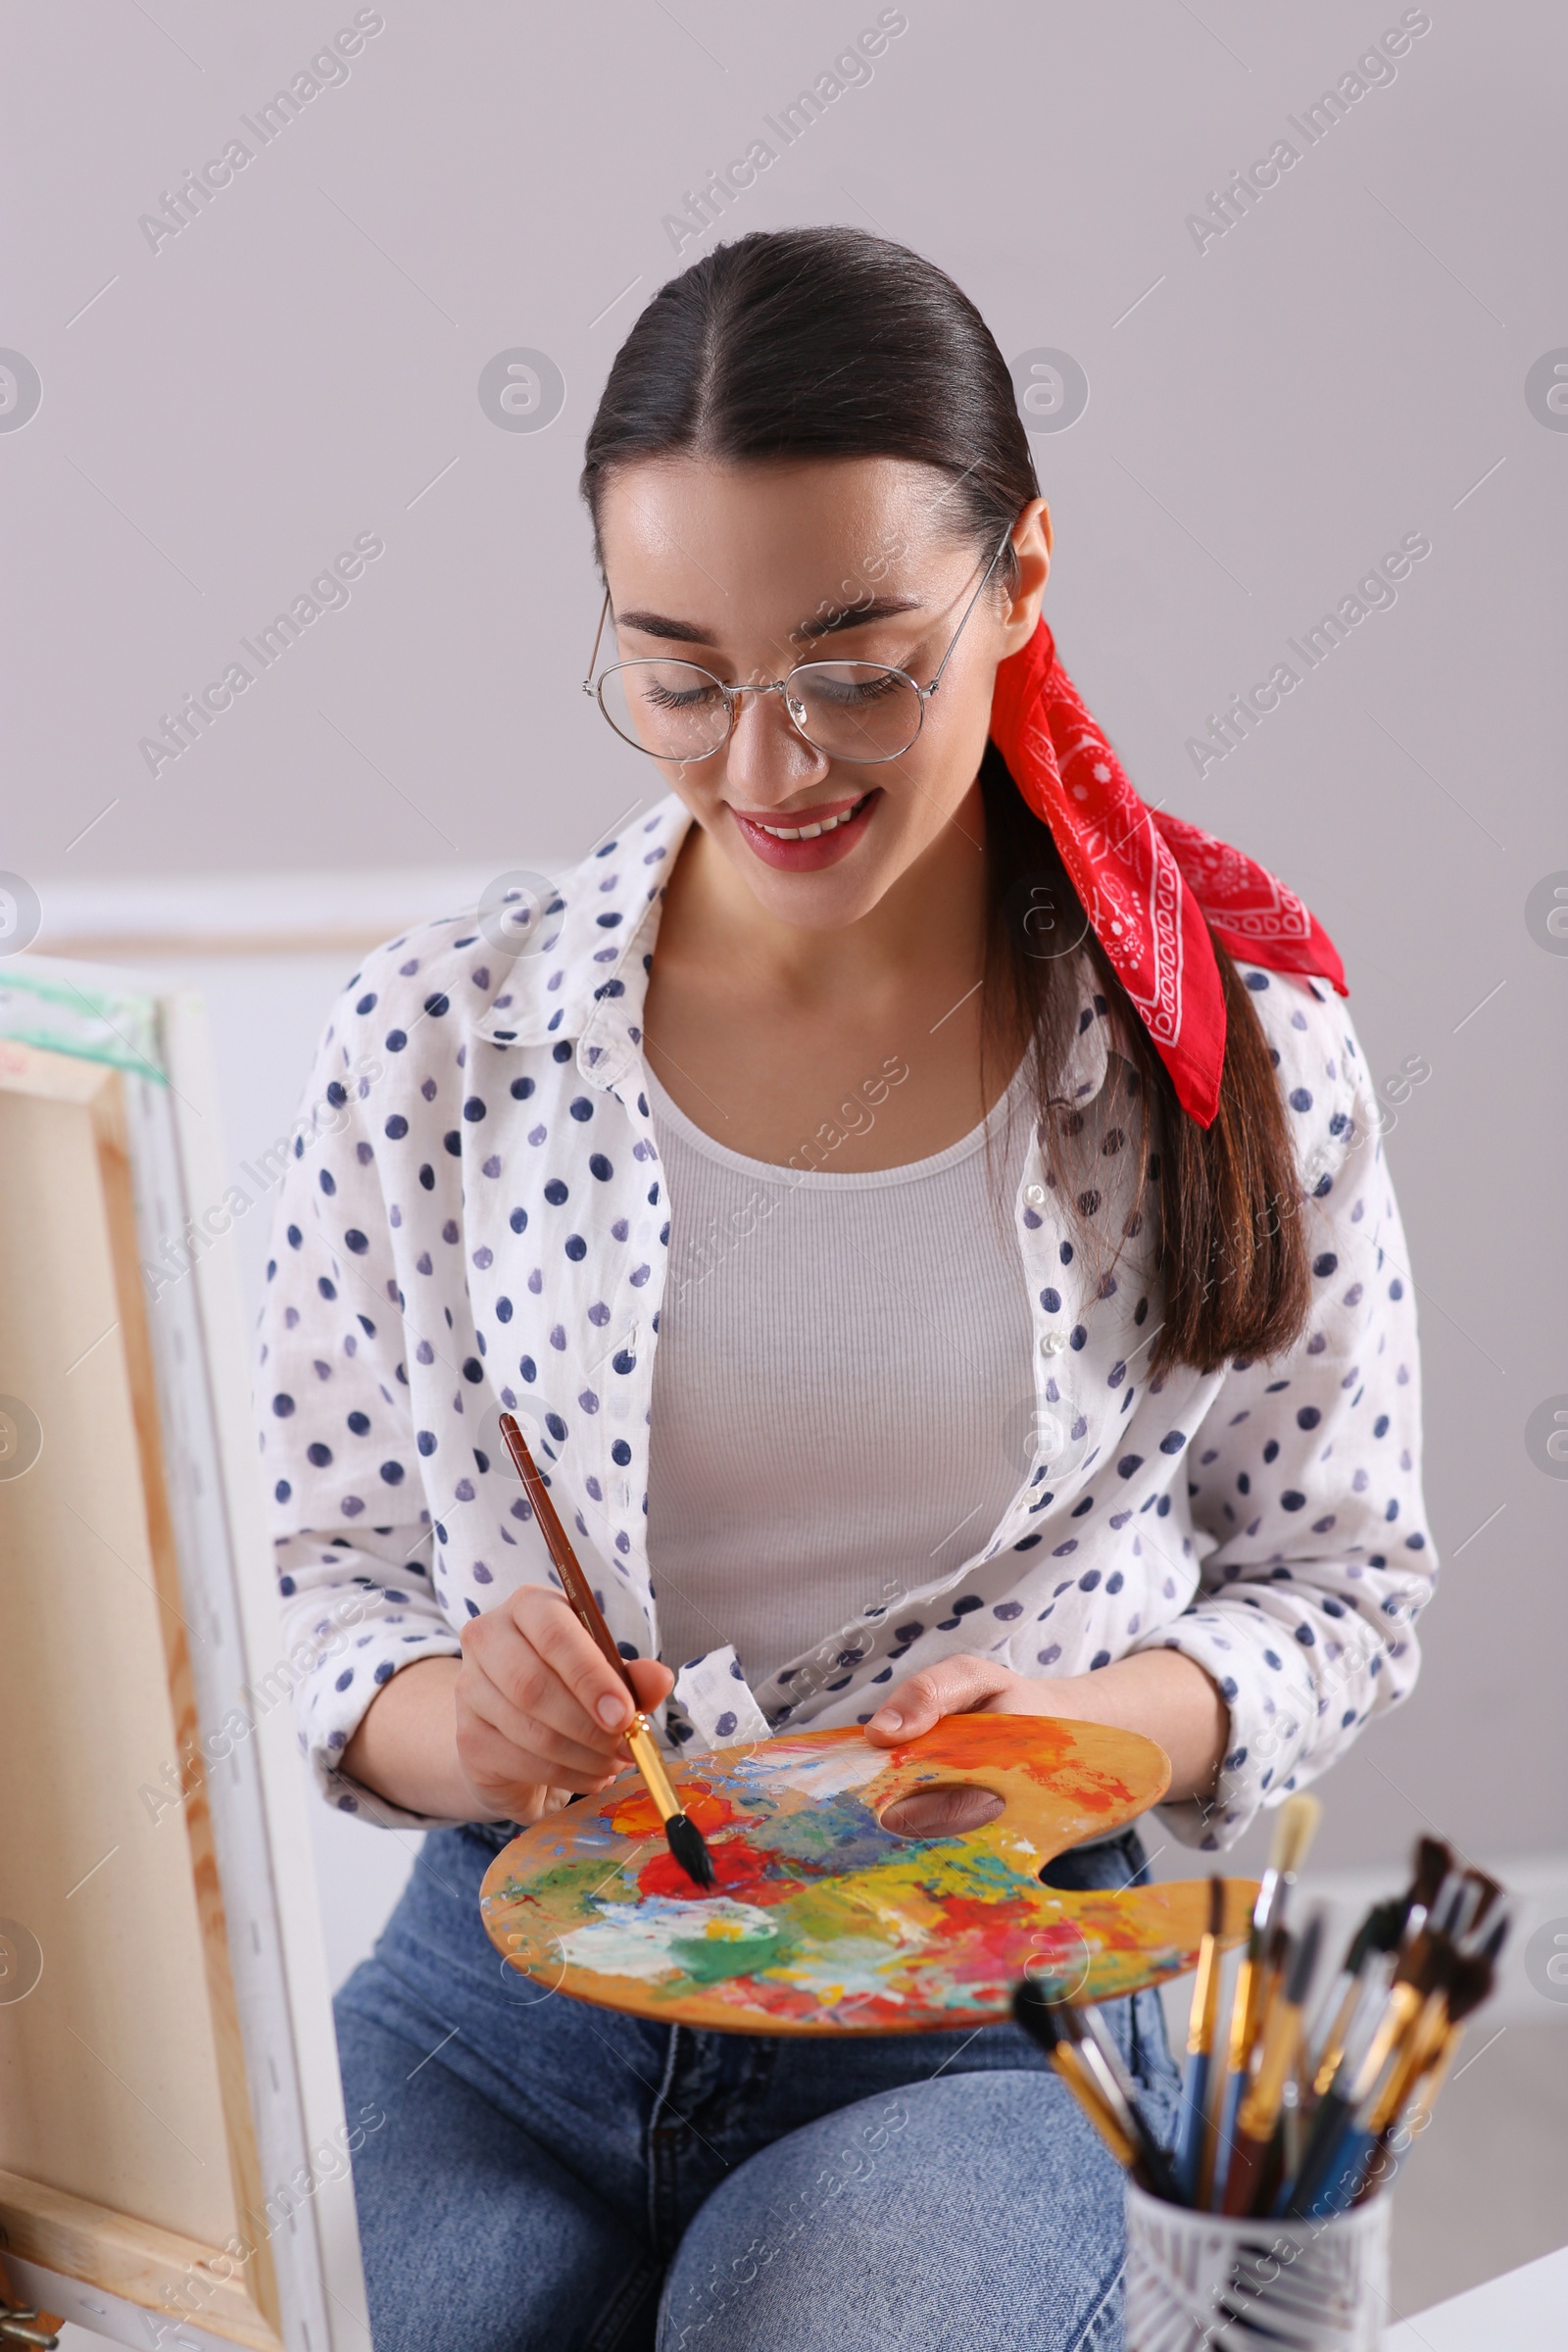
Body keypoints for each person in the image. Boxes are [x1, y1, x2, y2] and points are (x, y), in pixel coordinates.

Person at [256, 227, 1435, 2350]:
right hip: (498, 2010)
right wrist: (463, 1727)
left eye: (858, 664)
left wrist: (1087, 1726)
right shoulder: (436, 1036)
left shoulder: (1229, 1040)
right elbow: (322, 1591)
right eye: (679, 675)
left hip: (990, 2009)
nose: (770, 765)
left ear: (1022, 578)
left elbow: (1337, 1587)